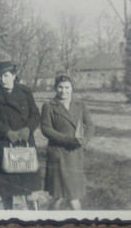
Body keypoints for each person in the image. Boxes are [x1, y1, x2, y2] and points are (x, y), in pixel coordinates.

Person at [0, 61, 42, 210]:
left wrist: (28, 129)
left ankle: (35, 216)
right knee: (5, 186)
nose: (3, 79)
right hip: (2, 143)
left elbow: (35, 114)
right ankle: (8, 215)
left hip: (24, 142)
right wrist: (7, 132)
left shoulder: (25, 92)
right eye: (0, 76)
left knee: (29, 185)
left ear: (14, 76)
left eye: (6, 75)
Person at [41, 74, 94, 210]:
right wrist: (67, 140)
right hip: (58, 154)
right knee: (64, 195)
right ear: (55, 88)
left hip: (74, 154)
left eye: (67, 87)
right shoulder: (49, 106)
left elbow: (90, 125)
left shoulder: (80, 105)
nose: (63, 91)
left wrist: (84, 140)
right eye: (60, 87)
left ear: (72, 88)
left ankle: (48, 218)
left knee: (68, 195)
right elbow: (46, 129)